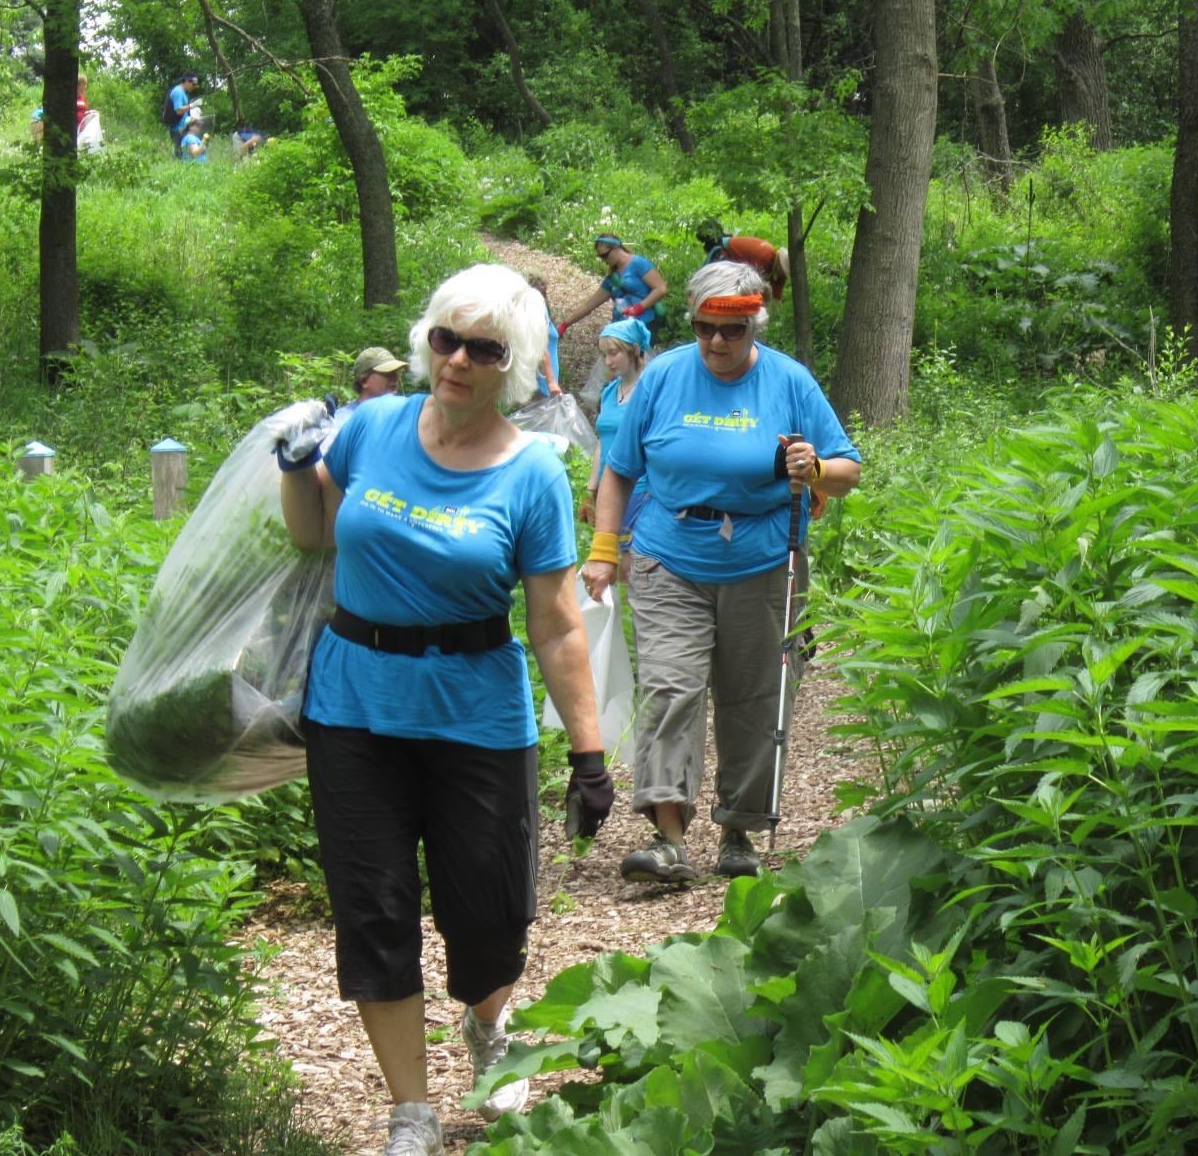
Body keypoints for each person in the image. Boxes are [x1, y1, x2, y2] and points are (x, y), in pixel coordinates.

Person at [274, 263, 613, 1155]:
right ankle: (410, 1110)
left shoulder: (534, 473)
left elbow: (557, 624)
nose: (459, 360)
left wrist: (589, 752)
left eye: (484, 348)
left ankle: (488, 1025)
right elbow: (316, 538)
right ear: (428, 341)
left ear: (517, 362)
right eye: (446, 339)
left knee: (487, 911)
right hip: (352, 704)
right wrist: (294, 467)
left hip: (474, 714)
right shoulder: (372, 428)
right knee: (373, 908)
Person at [580, 262, 860, 884]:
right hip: (668, 553)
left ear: (754, 325)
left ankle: (740, 830)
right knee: (670, 688)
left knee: (754, 699)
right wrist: (604, 548)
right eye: (706, 328)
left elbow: (847, 469)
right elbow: (620, 470)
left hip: (763, 558)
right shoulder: (663, 378)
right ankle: (668, 838)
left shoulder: (789, 381)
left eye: (731, 332)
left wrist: (812, 469)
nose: (716, 343)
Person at [579, 318, 653, 601]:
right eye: (604, 354)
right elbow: (602, 442)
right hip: (610, 493)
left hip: (640, 489)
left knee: (634, 567)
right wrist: (591, 489)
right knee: (612, 566)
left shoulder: (650, 389)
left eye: (614, 353)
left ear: (635, 350)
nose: (608, 361)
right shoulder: (610, 392)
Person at [555, 236, 669, 346]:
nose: (603, 260)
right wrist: (565, 324)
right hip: (621, 327)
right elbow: (588, 305)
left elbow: (661, 289)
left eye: (604, 255)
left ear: (615, 248)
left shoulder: (638, 264)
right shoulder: (612, 278)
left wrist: (639, 307)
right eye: (600, 257)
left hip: (644, 324)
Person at [695, 219, 790, 302]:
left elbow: (776, 298)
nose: (782, 275)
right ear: (779, 265)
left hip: (736, 265)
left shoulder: (778, 272)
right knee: (711, 288)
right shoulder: (765, 257)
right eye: (782, 270)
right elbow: (752, 285)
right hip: (724, 252)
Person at [333, 347, 408, 425]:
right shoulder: (345, 419)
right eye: (387, 373)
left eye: (395, 372)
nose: (395, 378)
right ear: (364, 380)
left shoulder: (402, 415)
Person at [527, 275, 563, 398]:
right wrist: (551, 381)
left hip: (545, 378)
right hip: (543, 379)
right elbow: (541, 346)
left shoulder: (542, 310)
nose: (544, 297)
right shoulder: (535, 311)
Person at [166, 72, 200, 153]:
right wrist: (192, 105)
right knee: (179, 154)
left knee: (185, 154)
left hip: (183, 128)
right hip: (178, 129)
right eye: (193, 84)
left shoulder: (183, 92)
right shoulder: (178, 92)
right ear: (187, 82)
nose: (195, 87)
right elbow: (178, 111)